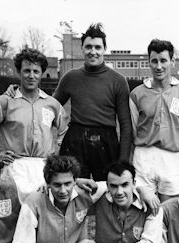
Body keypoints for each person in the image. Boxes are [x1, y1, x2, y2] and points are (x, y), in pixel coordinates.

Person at [0, 48, 68, 202]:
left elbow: (65, 129)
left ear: (41, 73)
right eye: (26, 71)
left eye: (36, 71)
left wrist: (56, 152)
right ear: (19, 72)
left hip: (44, 168)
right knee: (15, 218)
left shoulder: (52, 104)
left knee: (42, 218)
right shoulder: (6, 101)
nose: (31, 76)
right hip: (16, 168)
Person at [53, 23, 132, 180]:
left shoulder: (118, 81)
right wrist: (21, 91)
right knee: (71, 190)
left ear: (104, 49)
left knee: (104, 193)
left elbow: (125, 124)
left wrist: (122, 161)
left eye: (97, 47)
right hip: (75, 140)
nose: (93, 52)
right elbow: (49, 107)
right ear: (82, 48)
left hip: (106, 142)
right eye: (88, 47)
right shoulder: (70, 77)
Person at [129, 39, 179, 202]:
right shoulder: (137, 94)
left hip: (172, 160)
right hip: (143, 158)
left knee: (169, 211)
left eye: (163, 61)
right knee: (143, 211)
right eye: (154, 61)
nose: (159, 66)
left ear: (172, 61)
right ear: (149, 62)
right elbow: (132, 130)